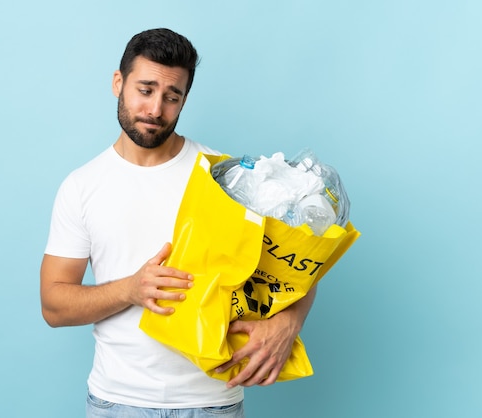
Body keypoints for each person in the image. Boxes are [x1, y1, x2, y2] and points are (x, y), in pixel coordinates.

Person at [40, 28, 318, 417]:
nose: (156, 109)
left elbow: (297, 265)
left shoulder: (226, 178)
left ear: (185, 99)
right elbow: (54, 304)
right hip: (117, 402)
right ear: (118, 83)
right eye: (146, 89)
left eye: (173, 97)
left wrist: (289, 323)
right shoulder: (82, 186)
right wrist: (130, 289)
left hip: (213, 403)